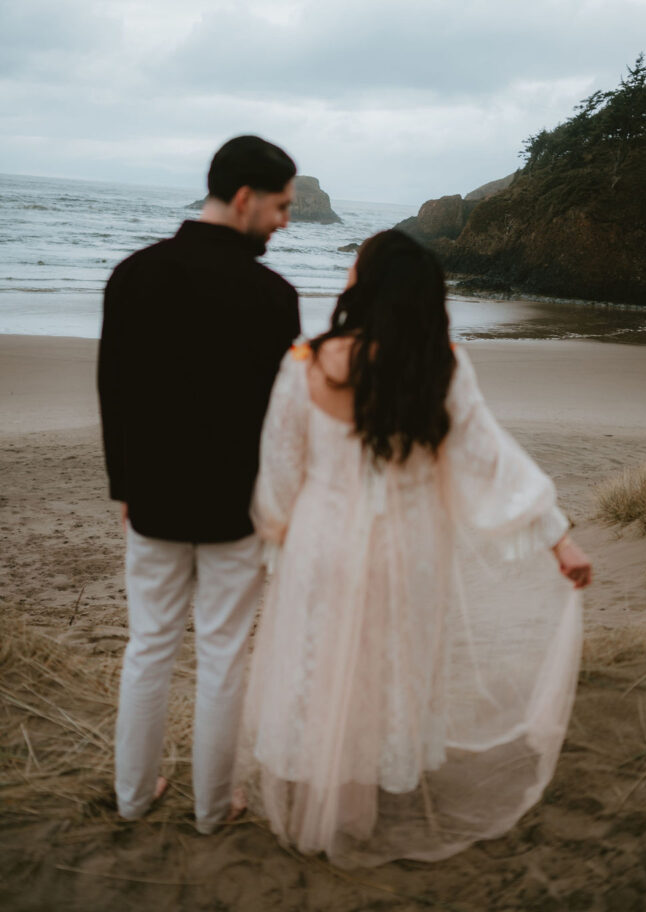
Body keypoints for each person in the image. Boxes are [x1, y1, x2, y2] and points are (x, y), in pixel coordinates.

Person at [233, 228, 591, 867]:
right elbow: (492, 460)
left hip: (323, 541)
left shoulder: (305, 363)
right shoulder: (442, 364)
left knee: (320, 663)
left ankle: (328, 798)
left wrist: (277, 536)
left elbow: (280, 470)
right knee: (387, 668)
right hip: (411, 547)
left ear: (366, 286)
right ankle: (364, 798)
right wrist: (556, 536)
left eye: (354, 267)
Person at [98, 135, 300, 834]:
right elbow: (280, 422)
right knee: (221, 655)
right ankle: (213, 810)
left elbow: (113, 392)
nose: (284, 221)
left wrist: (123, 486)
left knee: (147, 645)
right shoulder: (274, 297)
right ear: (244, 198)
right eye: (279, 206)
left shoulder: (133, 275)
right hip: (235, 508)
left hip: (151, 499)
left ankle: (131, 796)